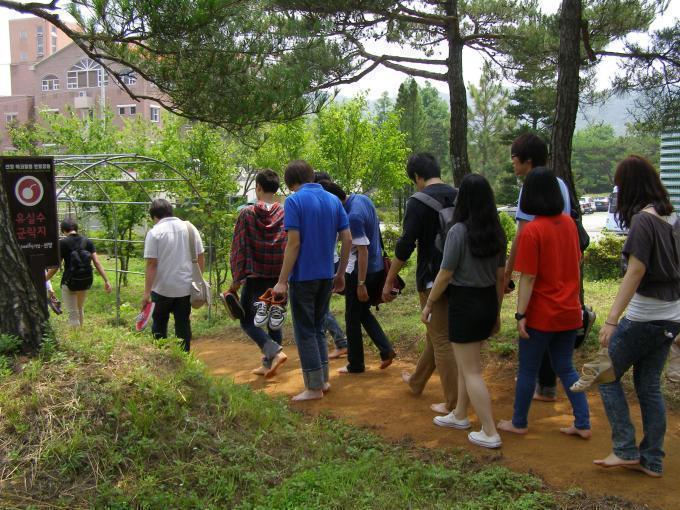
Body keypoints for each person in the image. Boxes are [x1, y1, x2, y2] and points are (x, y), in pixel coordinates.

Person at [594, 156, 680, 477]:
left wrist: (612, 319)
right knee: (648, 385)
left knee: (603, 373)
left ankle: (625, 449)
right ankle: (652, 459)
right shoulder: (672, 219)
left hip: (645, 316)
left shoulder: (643, 222)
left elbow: (636, 270)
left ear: (629, 187)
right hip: (672, 317)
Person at [497, 168, 591, 439]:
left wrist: (520, 314)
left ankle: (519, 421)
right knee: (566, 367)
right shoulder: (570, 225)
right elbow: (576, 262)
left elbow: (527, 277)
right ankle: (583, 423)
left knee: (527, 368)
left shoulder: (532, 230)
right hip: (569, 311)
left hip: (541, 313)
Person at [420, 174, 505, 449]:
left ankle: (489, 431)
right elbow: (501, 277)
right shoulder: (497, 231)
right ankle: (458, 415)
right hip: (487, 301)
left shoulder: (458, 231)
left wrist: (430, 303)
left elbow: (445, 273)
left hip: (465, 303)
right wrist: (497, 312)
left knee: (471, 371)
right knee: (468, 364)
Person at [382, 153, 459, 414]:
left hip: (431, 278)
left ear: (417, 176)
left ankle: (453, 404)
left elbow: (405, 246)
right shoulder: (459, 195)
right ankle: (417, 382)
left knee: (441, 338)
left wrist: (390, 279)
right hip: (461, 276)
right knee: (435, 334)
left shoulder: (418, 201)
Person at [503, 133, 578, 402]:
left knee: (535, 325)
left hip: (538, 265)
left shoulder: (529, 188)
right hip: (563, 266)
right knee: (557, 331)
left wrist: (508, 273)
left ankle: (532, 384)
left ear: (527, 160)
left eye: (514, 157)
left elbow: (521, 235)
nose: (512, 163)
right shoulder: (560, 184)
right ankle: (547, 385)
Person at [272, 160, 351, 401]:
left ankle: (314, 387)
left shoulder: (294, 201)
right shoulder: (333, 200)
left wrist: (282, 281)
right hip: (327, 275)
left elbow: (293, 243)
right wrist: (340, 273)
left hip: (303, 277)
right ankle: (323, 381)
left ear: (290, 183)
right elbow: (347, 239)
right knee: (318, 328)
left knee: (305, 331)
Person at [321, 181, 396, 373]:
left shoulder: (352, 216)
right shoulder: (361, 199)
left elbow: (362, 251)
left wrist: (361, 284)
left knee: (352, 318)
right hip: (376, 267)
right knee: (362, 313)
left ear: (333, 199)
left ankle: (356, 364)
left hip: (361, 272)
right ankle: (386, 350)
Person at [227, 169, 288, 377]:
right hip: (279, 278)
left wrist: (236, 279)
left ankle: (273, 352)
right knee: (273, 320)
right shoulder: (285, 212)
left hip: (255, 279)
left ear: (258, 188)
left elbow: (239, 247)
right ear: (277, 188)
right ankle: (268, 363)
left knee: (247, 321)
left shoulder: (247, 213)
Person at [142, 198, 205, 352]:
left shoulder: (155, 232)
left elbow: (152, 263)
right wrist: (197, 281)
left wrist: (146, 292)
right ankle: (185, 358)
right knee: (183, 323)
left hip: (162, 289)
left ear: (155, 216)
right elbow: (200, 256)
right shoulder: (190, 228)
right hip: (185, 288)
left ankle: (161, 356)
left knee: (159, 322)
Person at [45, 217, 112, 326]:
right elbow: (97, 262)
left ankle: (76, 338)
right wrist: (106, 280)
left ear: (63, 230)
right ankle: (81, 333)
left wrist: (44, 280)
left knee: (72, 312)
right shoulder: (88, 242)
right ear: (76, 228)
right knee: (80, 308)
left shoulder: (62, 243)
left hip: (69, 282)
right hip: (85, 281)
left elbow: (56, 267)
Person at [314, 171, 349, 359]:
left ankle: (341, 341)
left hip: (325, 264)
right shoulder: (333, 205)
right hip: (331, 262)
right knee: (321, 307)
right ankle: (340, 341)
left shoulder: (325, 205)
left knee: (320, 308)